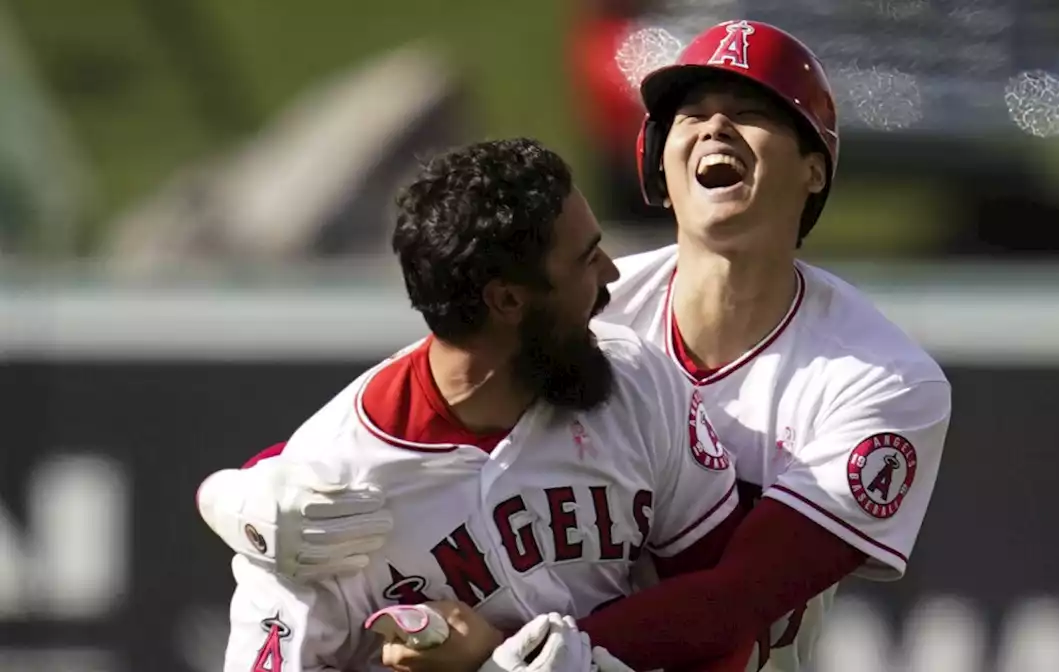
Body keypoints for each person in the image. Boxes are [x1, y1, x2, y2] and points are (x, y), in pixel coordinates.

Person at [199, 20, 952, 672]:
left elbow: (740, 595)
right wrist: (240, 492)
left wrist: (535, 656)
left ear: (815, 167)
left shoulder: (880, 380)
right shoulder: (586, 305)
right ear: (658, 158)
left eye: (752, 113)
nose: (716, 128)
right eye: (691, 113)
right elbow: (430, 400)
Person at [211, 137, 747, 672]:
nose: (609, 274)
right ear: (508, 300)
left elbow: (731, 617)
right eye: (586, 259)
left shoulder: (638, 379)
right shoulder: (324, 496)